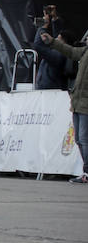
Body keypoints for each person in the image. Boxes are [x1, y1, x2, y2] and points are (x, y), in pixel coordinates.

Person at [40, 29, 88, 184]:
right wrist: (53, 42)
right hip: (78, 102)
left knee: (84, 139)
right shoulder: (85, 51)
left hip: (85, 103)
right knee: (79, 139)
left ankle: (87, 172)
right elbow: (72, 52)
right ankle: (86, 171)